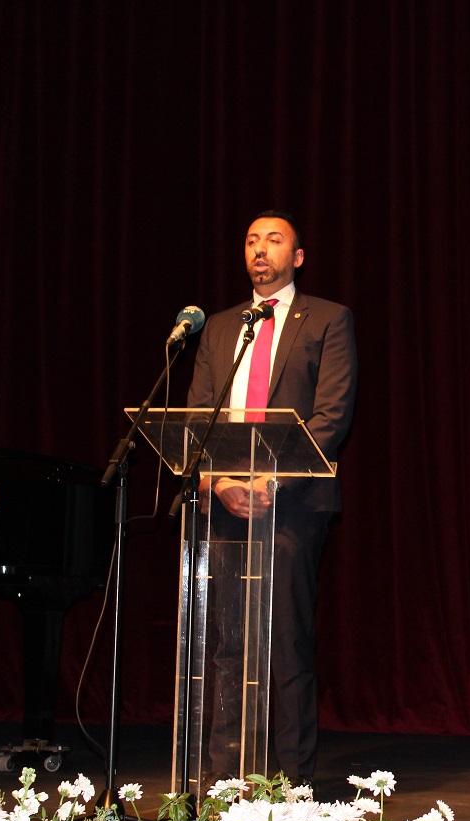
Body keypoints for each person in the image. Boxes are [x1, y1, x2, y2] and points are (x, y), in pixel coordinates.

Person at [187, 210, 357, 785]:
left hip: (291, 505)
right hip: (224, 503)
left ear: (297, 256)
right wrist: (221, 482)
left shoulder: (328, 320)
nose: (261, 250)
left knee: (285, 645)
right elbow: (197, 417)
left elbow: (330, 418)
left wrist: (270, 482)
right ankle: (223, 785)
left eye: (275, 240)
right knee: (226, 647)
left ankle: (292, 788)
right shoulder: (218, 327)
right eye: (252, 240)